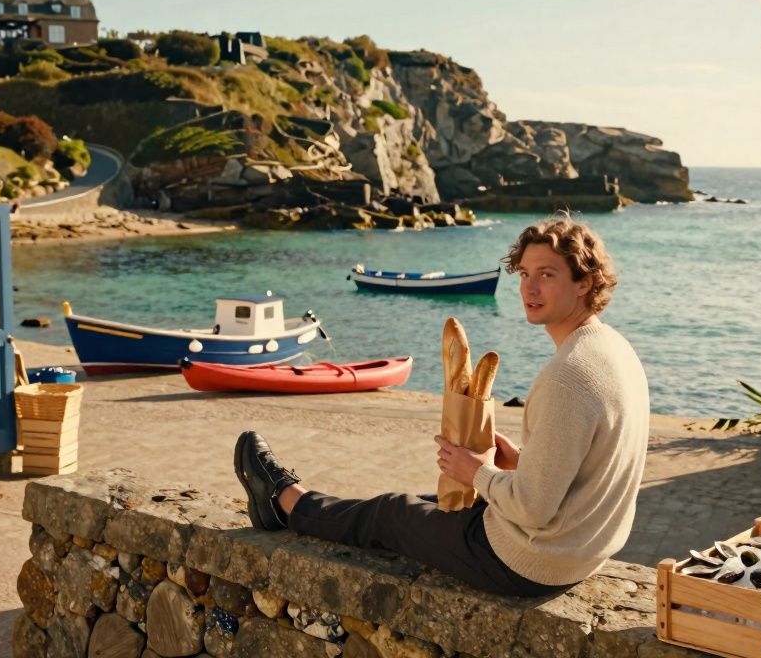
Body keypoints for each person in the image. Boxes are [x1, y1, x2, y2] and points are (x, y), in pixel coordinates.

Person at [234, 214, 650, 597]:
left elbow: (534, 508)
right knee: (432, 502)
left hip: (531, 564)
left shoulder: (567, 375)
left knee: (392, 513)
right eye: (524, 274)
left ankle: (283, 500)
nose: (529, 288)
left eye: (547, 275)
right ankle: (299, 502)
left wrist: (474, 471)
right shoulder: (615, 349)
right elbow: (588, 466)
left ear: (584, 283)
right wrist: (518, 462)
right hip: (581, 550)